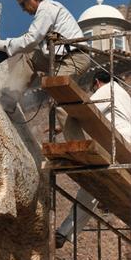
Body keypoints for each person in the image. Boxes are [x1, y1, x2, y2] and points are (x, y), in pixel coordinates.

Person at [0, 0, 90, 139]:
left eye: (23, 4)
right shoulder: (47, 11)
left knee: (59, 96)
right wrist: (5, 52)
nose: (23, 10)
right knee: (30, 57)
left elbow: (31, 39)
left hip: (74, 57)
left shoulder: (46, 9)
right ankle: (7, 100)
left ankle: (79, 146)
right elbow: (30, 44)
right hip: (60, 57)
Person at [56, 70, 131, 248]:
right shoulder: (126, 96)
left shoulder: (109, 88)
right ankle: (63, 233)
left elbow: (85, 109)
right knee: (91, 188)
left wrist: (65, 119)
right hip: (125, 145)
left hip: (119, 144)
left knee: (62, 109)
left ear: (97, 82)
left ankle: (81, 154)